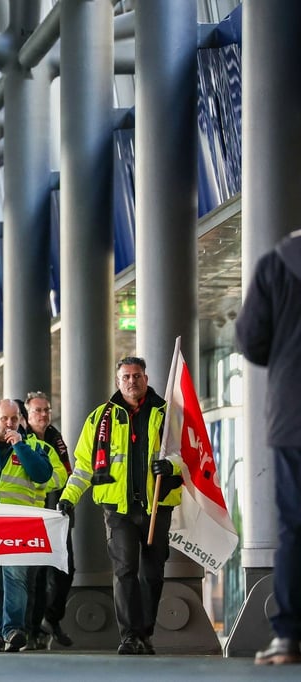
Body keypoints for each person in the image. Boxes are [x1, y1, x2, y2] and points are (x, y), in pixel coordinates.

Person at [58, 357, 183, 655]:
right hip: (117, 509)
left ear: (146, 378)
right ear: (118, 381)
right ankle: (129, 636)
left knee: (152, 573)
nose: (131, 381)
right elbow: (84, 467)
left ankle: (146, 633)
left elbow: (185, 453)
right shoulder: (100, 418)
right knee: (125, 569)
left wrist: (170, 465)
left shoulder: (166, 414)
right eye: (126, 376)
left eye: (137, 375)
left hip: (157, 506)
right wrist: (68, 497)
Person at [236, 229, 301, 666]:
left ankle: (290, 637)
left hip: (294, 417)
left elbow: (250, 341)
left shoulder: (278, 263)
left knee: (295, 528)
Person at [0, 399, 64, 653]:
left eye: (14, 419)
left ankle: (13, 630)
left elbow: (42, 475)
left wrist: (21, 447)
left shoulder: (34, 445)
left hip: (19, 523)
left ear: (21, 420)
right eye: (4, 418)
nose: (9, 423)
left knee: (16, 578)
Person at [24, 391, 74, 649]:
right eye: (37, 411)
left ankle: (51, 619)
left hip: (59, 514)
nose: (43, 415)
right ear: (27, 414)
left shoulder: (56, 437)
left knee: (66, 570)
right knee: (37, 574)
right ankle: (32, 629)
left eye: (46, 410)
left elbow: (67, 473)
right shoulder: (23, 439)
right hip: (34, 515)